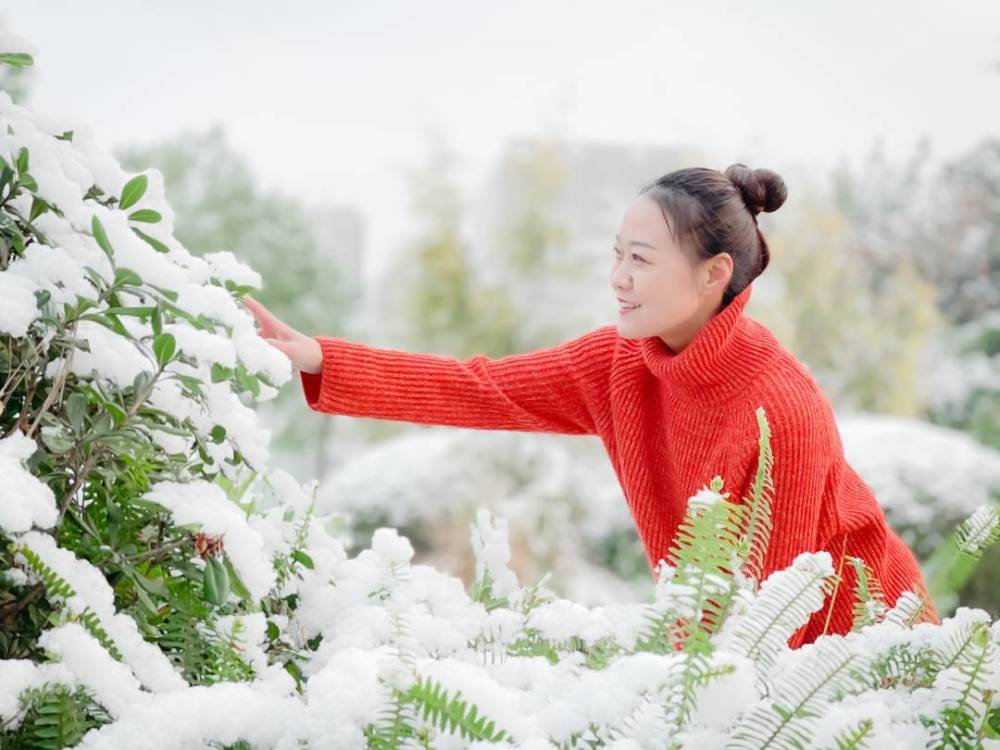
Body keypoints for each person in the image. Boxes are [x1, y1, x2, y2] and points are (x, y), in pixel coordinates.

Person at [241, 164, 936, 647]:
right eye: (617, 255)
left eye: (640, 259)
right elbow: (486, 386)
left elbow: (772, 619)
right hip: (735, 663)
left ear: (713, 274)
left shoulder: (780, 406)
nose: (618, 279)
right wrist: (322, 359)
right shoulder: (618, 363)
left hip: (865, 661)